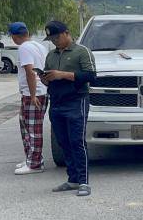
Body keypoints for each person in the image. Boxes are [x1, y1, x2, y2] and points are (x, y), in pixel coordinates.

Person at [40, 21, 97, 197]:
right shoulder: (51, 55)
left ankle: (83, 181)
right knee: (63, 141)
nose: (55, 41)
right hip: (56, 101)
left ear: (66, 33)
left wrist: (62, 74)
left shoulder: (81, 51)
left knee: (77, 141)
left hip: (76, 100)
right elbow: (47, 74)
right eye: (51, 38)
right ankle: (72, 179)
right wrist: (45, 78)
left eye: (57, 37)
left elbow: (91, 76)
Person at [9, 22, 49, 175]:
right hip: (39, 90)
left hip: (34, 93)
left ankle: (35, 164)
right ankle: (31, 158)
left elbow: (30, 72)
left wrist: (32, 95)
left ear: (14, 36)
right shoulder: (38, 46)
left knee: (33, 129)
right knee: (26, 126)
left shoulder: (24, 48)